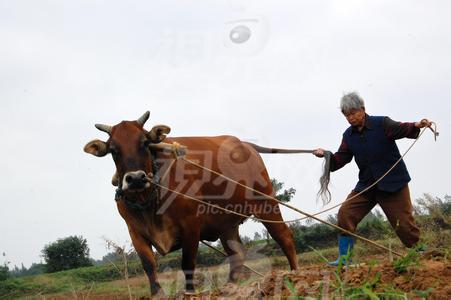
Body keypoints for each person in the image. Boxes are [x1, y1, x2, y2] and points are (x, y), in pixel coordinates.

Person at [313, 92, 432, 266]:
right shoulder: (348, 136)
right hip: (367, 186)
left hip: (393, 184)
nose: (350, 118)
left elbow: (401, 128)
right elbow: (341, 158)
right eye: (347, 115)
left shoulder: (381, 123)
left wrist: (418, 124)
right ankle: (344, 259)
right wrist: (326, 155)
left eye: (353, 113)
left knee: (404, 225)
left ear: (363, 109)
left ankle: (421, 254)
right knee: (346, 214)